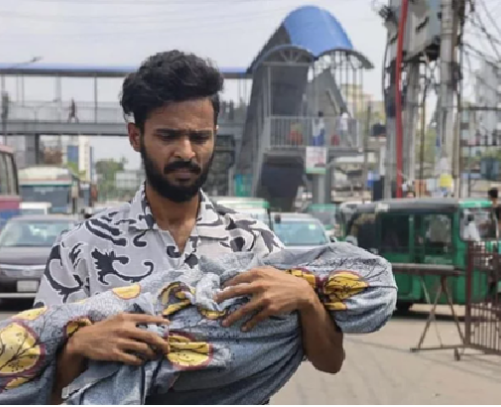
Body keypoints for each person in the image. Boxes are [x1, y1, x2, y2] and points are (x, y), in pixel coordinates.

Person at [34, 50, 345, 403]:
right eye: (168, 136)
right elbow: (30, 380)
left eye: (199, 137)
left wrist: (308, 301)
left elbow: (331, 361)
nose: (186, 152)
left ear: (215, 136)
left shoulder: (253, 242)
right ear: (135, 136)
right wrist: (78, 346)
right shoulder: (81, 249)